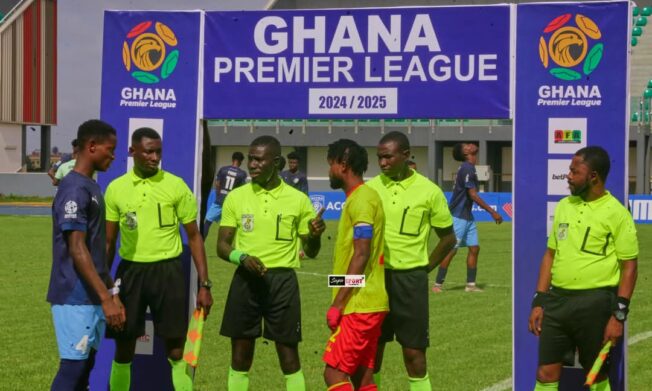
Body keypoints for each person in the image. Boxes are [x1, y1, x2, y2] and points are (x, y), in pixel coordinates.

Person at [105, 127, 213, 391]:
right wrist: (107, 289)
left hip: (169, 272)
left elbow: (195, 236)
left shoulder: (175, 185)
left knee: (177, 351)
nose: (155, 158)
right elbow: (108, 243)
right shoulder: (116, 189)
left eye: (158, 152)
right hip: (130, 272)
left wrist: (204, 284)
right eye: (148, 152)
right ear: (132, 152)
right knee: (124, 350)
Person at [217, 135, 325, 391]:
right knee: (240, 356)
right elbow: (222, 246)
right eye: (250, 159)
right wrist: (241, 257)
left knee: (289, 356)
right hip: (246, 279)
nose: (251, 165)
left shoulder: (298, 200)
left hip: (282, 282)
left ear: (275, 162)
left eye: (258, 160)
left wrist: (314, 236)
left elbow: (311, 251)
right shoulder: (237, 197)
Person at [528, 146, 638, 391]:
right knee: (545, 373)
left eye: (574, 171)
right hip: (557, 301)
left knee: (595, 376)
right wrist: (539, 300)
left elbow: (629, 266)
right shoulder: (565, 206)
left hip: (596, 303)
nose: (568, 175)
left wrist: (619, 316)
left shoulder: (617, 214)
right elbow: (550, 255)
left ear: (593, 177)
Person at [367, 132, 456, 391]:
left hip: (411, 281)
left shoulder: (429, 191)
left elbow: (448, 238)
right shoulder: (371, 189)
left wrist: (423, 268)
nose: (382, 163)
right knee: (373, 352)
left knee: (414, 354)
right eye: (379, 158)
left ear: (406, 155)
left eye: (388, 157)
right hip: (376, 281)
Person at [48, 119, 125, 390]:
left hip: (91, 295)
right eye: (110, 149)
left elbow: (97, 252)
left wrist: (110, 294)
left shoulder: (91, 187)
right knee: (73, 368)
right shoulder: (74, 188)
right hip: (74, 295)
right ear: (91, 146)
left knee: (85, 369)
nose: (113, 156)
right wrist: (106, 298)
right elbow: (77, 247)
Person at [322, 139, 388, 391]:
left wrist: (337, 304)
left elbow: (361, 254)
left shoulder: (361, 199)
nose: (329, 170)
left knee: (334, 375)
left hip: (360, 305)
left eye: (331, 164)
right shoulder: (362, 197)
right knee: (363, 377)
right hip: (369, 301)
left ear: (343, 165)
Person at [432, 142, 503, 293]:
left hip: (467, 215)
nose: (471, 145)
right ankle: (437, 285)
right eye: (467, 146)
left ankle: (470, 286)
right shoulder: (467, 169)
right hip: (459, 216)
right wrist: (492, 211)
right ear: (465, 153)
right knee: (451, 250)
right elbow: (472, 194)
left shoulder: (469, 168)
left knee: (474, 248)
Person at [203, 151, 247, 238]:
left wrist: (219, 195)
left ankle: (201, 243)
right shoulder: (242, 174)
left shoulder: (223, 169)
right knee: (234, 225)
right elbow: (242, 190)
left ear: (232, 159)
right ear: (241, 161)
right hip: (232, 202)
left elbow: (217, 183)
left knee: (208, 222)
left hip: (219, 200)